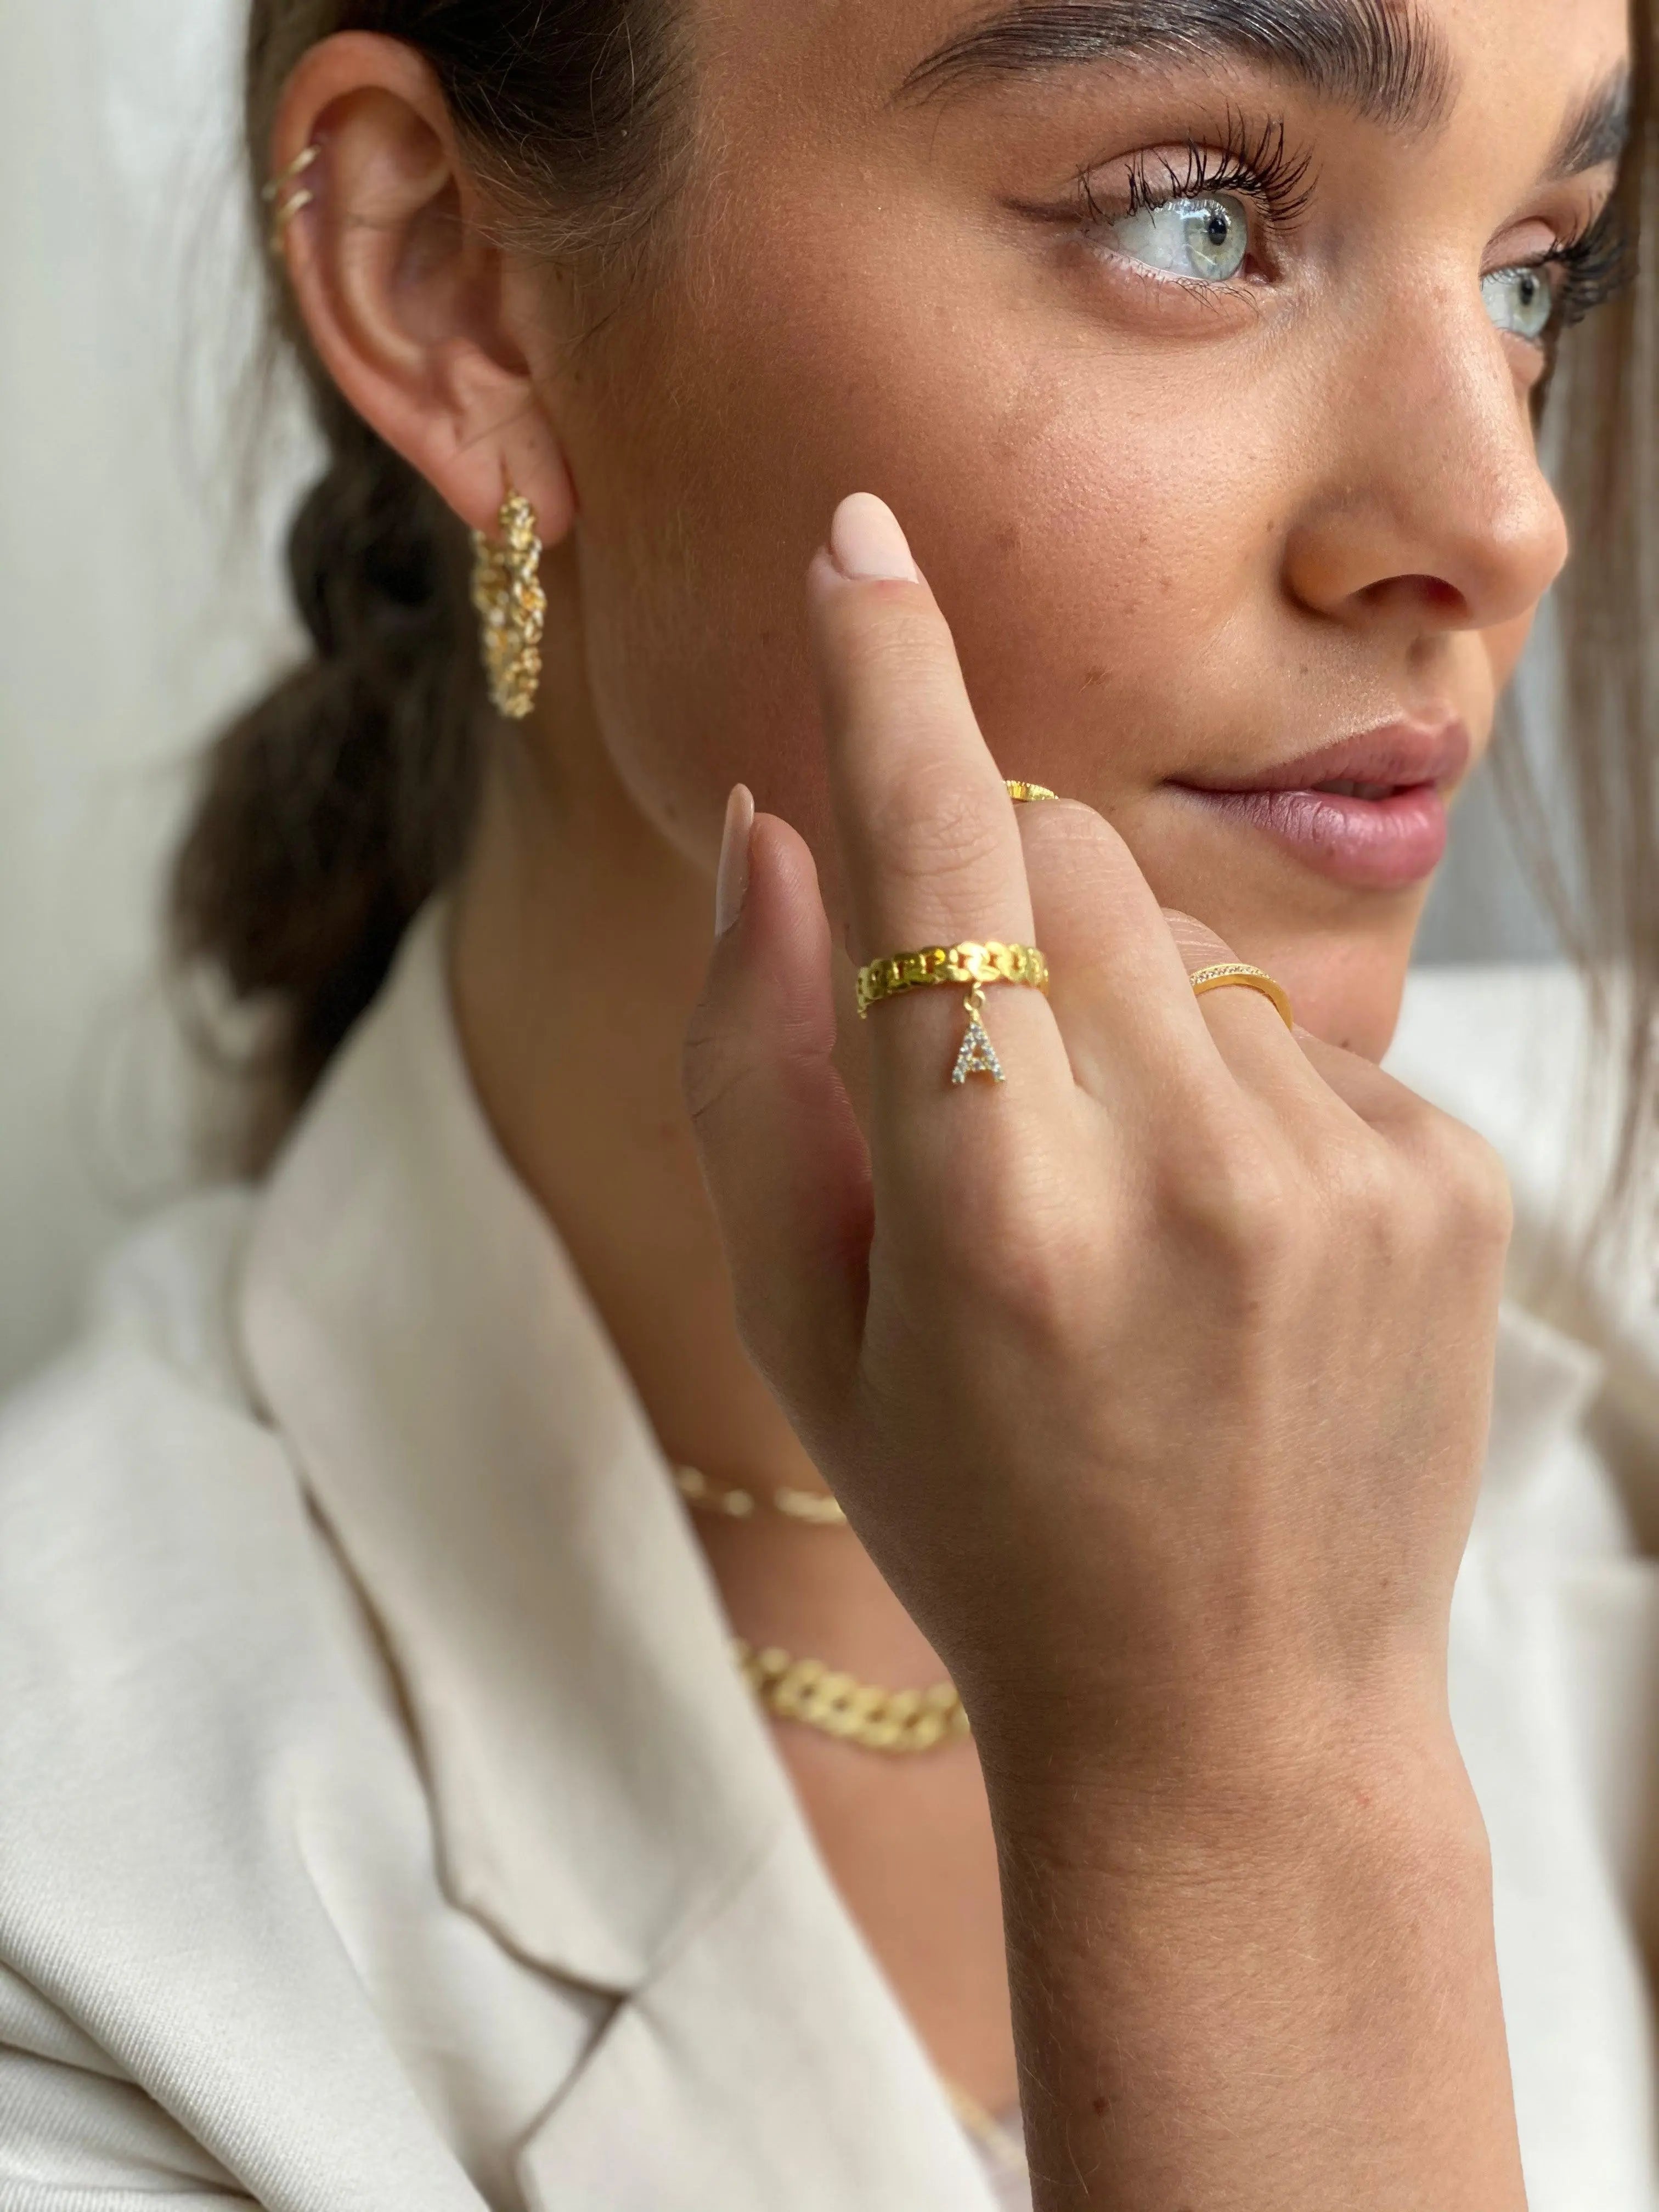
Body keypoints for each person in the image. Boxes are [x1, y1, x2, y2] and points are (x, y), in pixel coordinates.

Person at [1, 0, 1655, 2204]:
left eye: (1539, 267)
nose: (1500, 518)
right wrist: (1249, 1791)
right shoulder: (81, 1917)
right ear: (451, 285)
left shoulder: (1616, 1350)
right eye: (1198, 218)